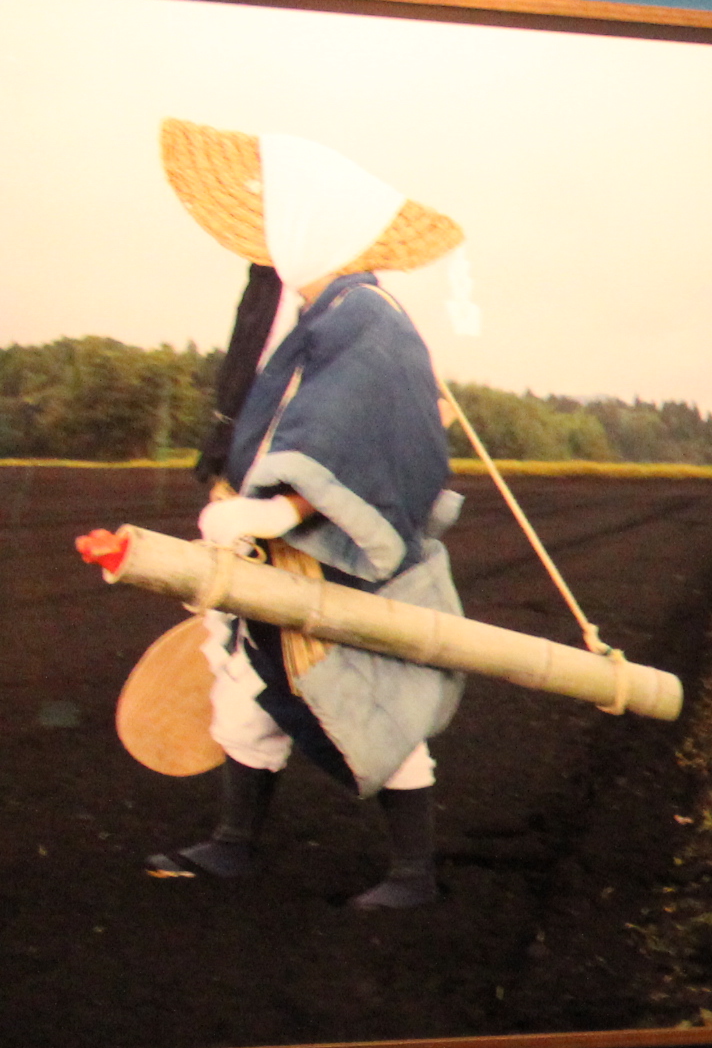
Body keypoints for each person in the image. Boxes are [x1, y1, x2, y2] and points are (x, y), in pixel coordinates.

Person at [142, 120, 470, 909]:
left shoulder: (366, 316)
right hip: (280, 548)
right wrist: (242, 506)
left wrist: (278, 513)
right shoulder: (315, 312)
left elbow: (357, 431)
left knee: (366, 695)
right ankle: (232, 844)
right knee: (245, 686)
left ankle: (413, 875)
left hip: (333, 552)